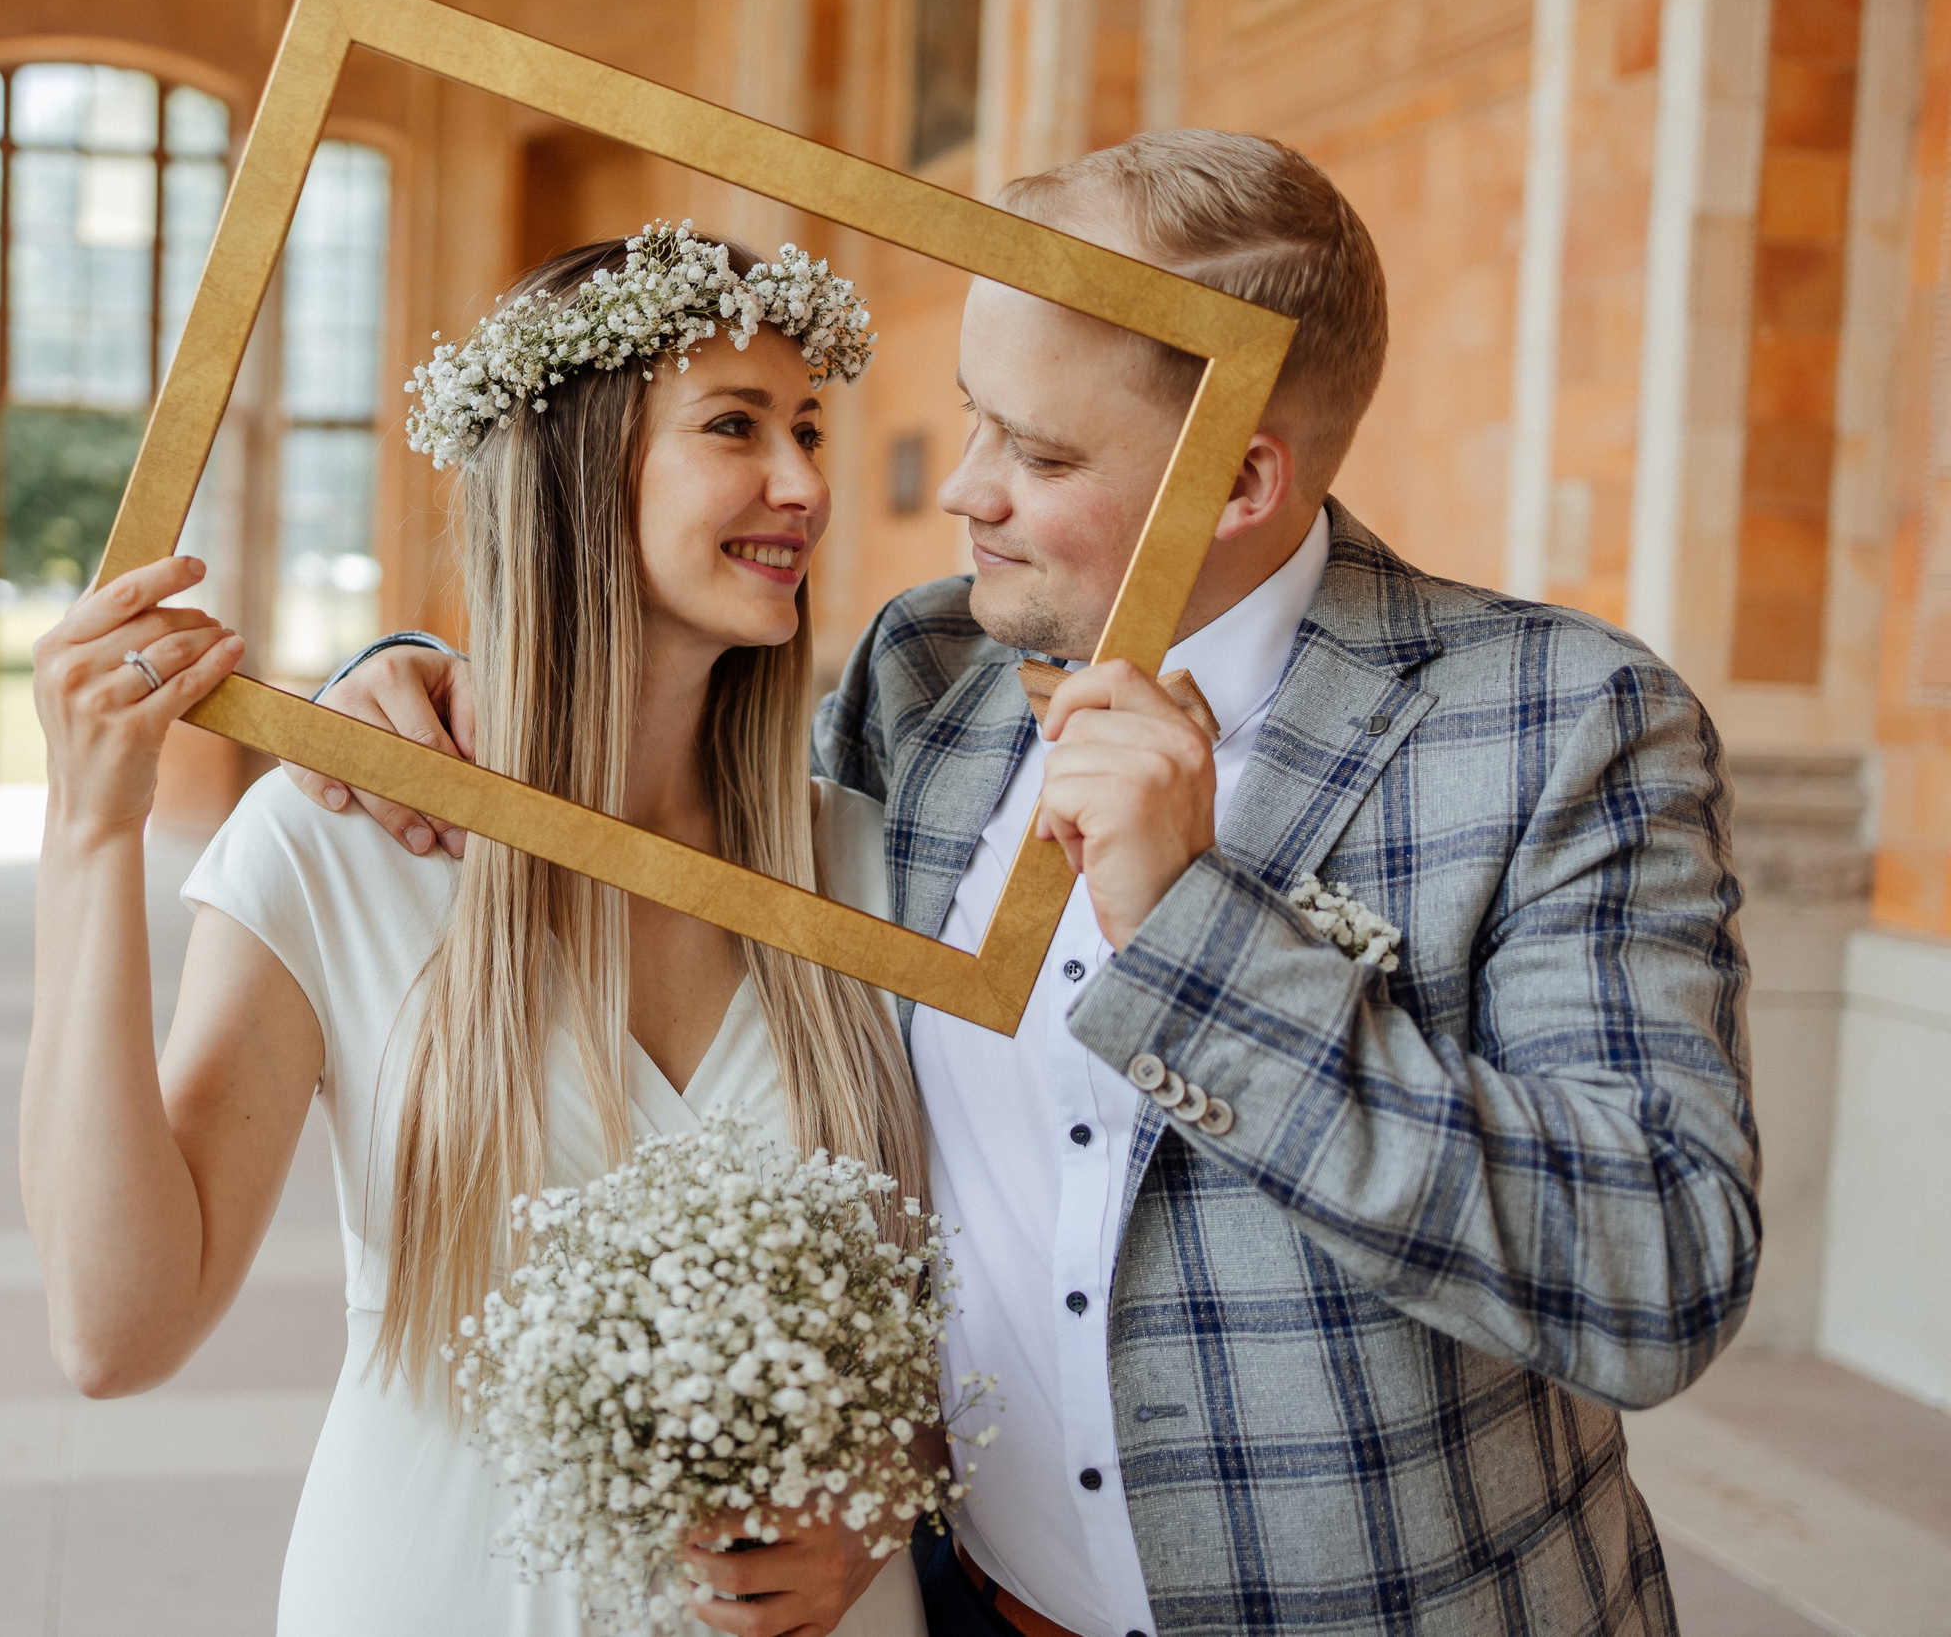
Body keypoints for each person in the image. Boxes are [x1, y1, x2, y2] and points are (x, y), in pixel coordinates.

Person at [301, 133, 1758, 1637]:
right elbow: (657, 784)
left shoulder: (1554, 723)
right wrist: (409, 693)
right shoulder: (929, 672)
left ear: (1241, 476)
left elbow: (1659, 1274)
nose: (968, 493)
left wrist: (1197, 936)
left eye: (1044, 456)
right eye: (975, 421)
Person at [20, 225, 940, 1636]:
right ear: (575, 471)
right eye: (736, 426)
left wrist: (876, 1516)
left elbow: (995, 1322)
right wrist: (88, 840)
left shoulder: (871, 871)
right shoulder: (339, 846)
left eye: (811, 426)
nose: (807, 484)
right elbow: (115, 1328)